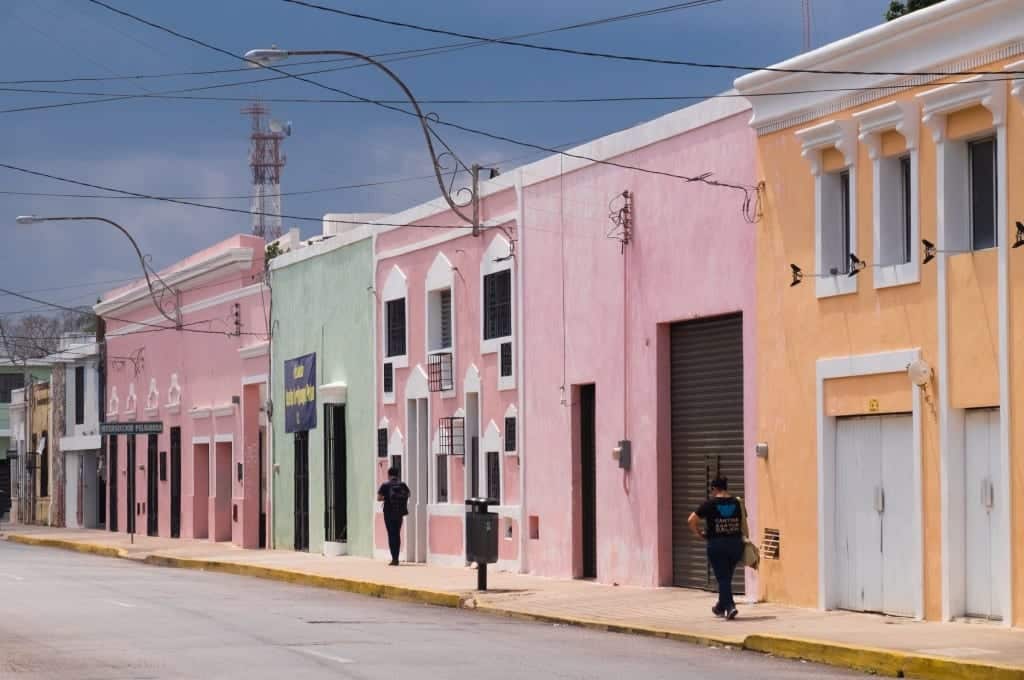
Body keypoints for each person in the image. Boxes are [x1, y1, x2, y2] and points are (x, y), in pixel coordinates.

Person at [688, 476, 746, 620]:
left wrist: (699, 534)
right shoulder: (737, 503)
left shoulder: (710, 504)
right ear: (726, 487)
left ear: (714, 489)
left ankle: (730, 607)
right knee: (726, 577)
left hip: (717, 545)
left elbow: (691, 520)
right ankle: (720, 606)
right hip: (735, 544)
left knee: (722, 578)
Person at [377, 467, 410, 566]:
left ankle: (394, 559)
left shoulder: (385, 485)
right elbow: (408, 494)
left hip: (388, 512)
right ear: (397, 474)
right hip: (399, 513)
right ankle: (397, 557)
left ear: (389, 474)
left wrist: (386, 497)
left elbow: (379, 498)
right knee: (397, 534)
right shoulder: (402, 484)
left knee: (391, 535)